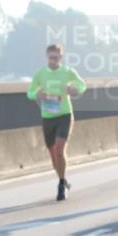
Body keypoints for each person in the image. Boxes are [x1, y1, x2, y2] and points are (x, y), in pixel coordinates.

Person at [27, 44, 87, 201]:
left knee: (60, 149)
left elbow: (82, 85)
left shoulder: (67, 72)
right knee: (53, 154)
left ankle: (61, 184)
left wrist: (74, 90)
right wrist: (37, 94)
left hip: (64, 115)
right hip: (48, 117)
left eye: (57, 57)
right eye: (51, 57)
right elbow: (30, 92)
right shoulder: (40, 74)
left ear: (61, 57)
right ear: (47, 57)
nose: (54, 60)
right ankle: (63, 178)